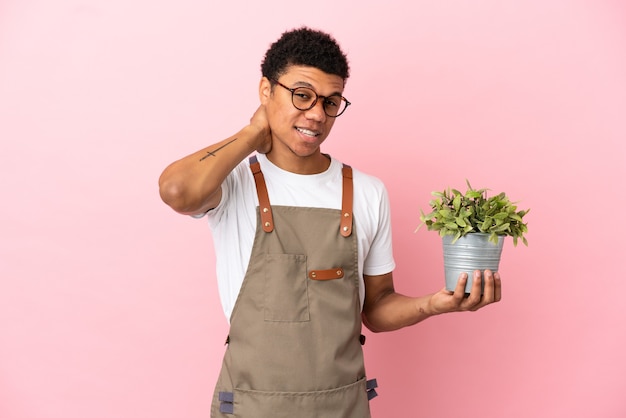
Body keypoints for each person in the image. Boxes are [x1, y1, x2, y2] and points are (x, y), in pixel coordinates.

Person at [159, 27, 501, 418]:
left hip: (343, 407)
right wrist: (254, 131)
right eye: (301, 95)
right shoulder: (233, 183)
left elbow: (377, 309)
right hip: (252, 406)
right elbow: (176, 191)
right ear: (266, 91)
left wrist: (434, 304)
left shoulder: (367, 192)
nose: (317, 114)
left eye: (331, 101)